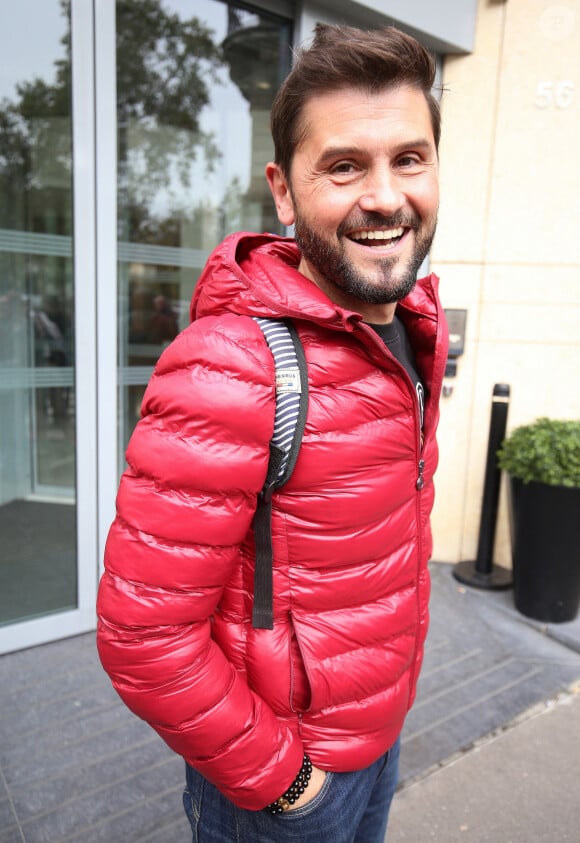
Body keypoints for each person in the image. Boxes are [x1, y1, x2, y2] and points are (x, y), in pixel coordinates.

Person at [97, 23, 449, 843]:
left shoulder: (413, 331)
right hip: (285, 784)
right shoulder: (230, 364)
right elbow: (143, 637)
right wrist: (290, 783)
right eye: (343, 165)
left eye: (409, 158)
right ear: (284, 192)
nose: (386, 197)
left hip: (379, 740)